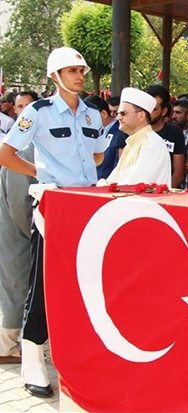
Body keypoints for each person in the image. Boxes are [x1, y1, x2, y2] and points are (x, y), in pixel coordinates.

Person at [0, 47, 107, 398]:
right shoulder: (37, 112)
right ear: (54, 77)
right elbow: (6, 153)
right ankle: (33, 361)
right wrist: (41, 172)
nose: (79, 75)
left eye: (81, 69)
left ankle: (75, 360)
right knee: (42, 283)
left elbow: (99, 153)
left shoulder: (92, 113)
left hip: (87, 207)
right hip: (54, 207)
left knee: (83, 283)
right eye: (71, 70)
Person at [0, 91, 36, 365]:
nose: (24, 112)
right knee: (16, 287)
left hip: (16, 230)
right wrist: (31, 236)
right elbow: (18, 203)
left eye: (30, 107)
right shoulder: (22, 149)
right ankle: (8, 347)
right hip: (17, 232)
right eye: (20, 107)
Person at [102, 87, 171, 186]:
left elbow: (136, 185)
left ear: (141, 116)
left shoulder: (152, 144)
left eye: (123, 113)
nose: (118, 118)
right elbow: (115, 179)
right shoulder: (133, 142)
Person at [144, 85, 186, 187]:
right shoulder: (130, 132)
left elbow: (178, 173)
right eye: (145, 108)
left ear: (164, 111)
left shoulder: (175, 132)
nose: (147, 112)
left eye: (153, 109)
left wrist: (162, 194)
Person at [85, 95, 122, 180]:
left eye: (88, 116)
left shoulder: (120, 133)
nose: (85, 120)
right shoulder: (94, 132)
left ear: (103, 114)